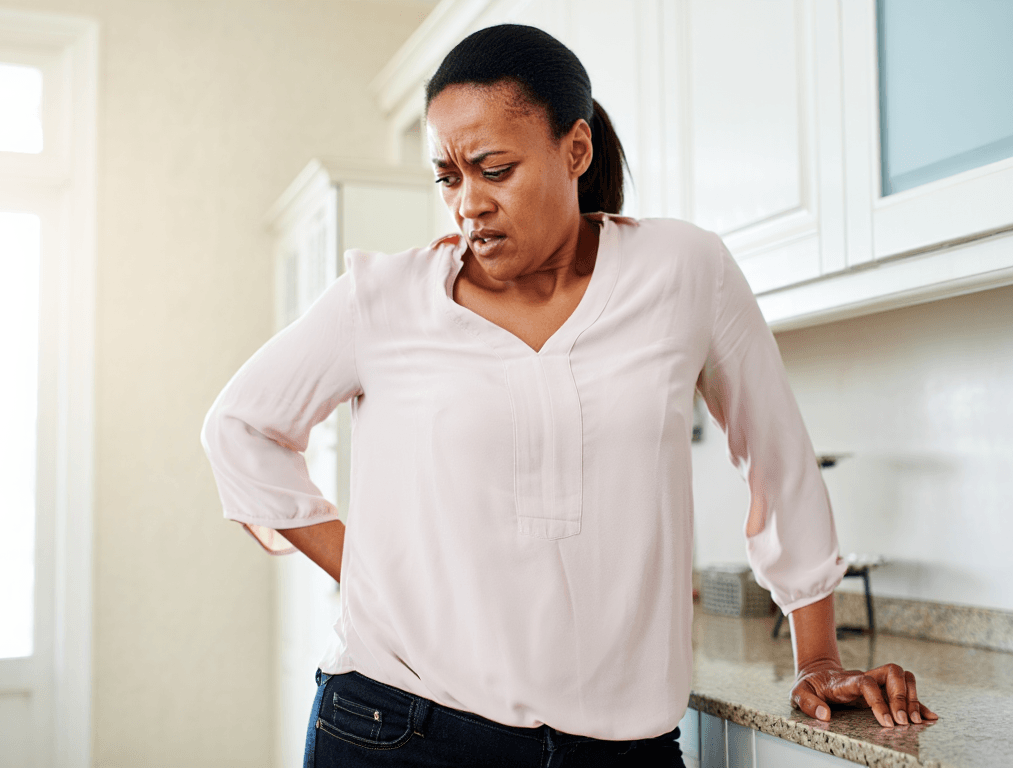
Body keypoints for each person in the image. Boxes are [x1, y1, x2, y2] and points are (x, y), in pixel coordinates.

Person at [201, 23, 937, 768]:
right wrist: (364, 566)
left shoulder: (684, 270)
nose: (468, 205)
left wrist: (817, 657)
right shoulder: (381, 298)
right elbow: (239, 426)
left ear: (575, 150)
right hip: (396, 730)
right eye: (449, 177)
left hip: (619, 750)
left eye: (494, 169)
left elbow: (778, 460)